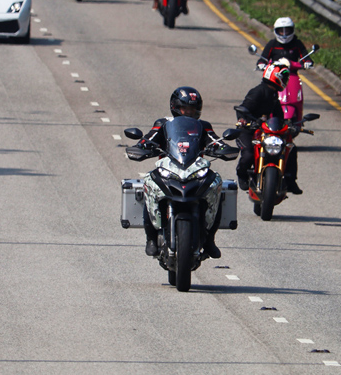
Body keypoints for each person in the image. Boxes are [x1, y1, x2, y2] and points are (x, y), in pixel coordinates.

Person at [129, 87, 225, 259]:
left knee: (217, 184)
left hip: (195, 169)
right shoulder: (163, 124)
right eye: (185, 109)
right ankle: (151, 238)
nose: (189, 112)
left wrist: (223, 148)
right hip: (168, 168)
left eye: (193, 109)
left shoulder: (203, 126)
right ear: (175, 107)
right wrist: (140, 147)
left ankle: (210, 239)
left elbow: (215, 141)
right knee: (149, 183)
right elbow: (148, 139)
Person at [234, 61, 303, 195]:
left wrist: (289, 125)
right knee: (248, 153)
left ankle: (289, 180)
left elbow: (278, 115)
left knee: (290, 147)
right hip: (248, 129)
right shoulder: (258, 92)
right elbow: (243, 108)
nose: (286, 80)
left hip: (264, 130)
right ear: (274, 76)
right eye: (284, 77)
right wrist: (243, 120)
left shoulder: (273, 94)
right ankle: (242, 174)